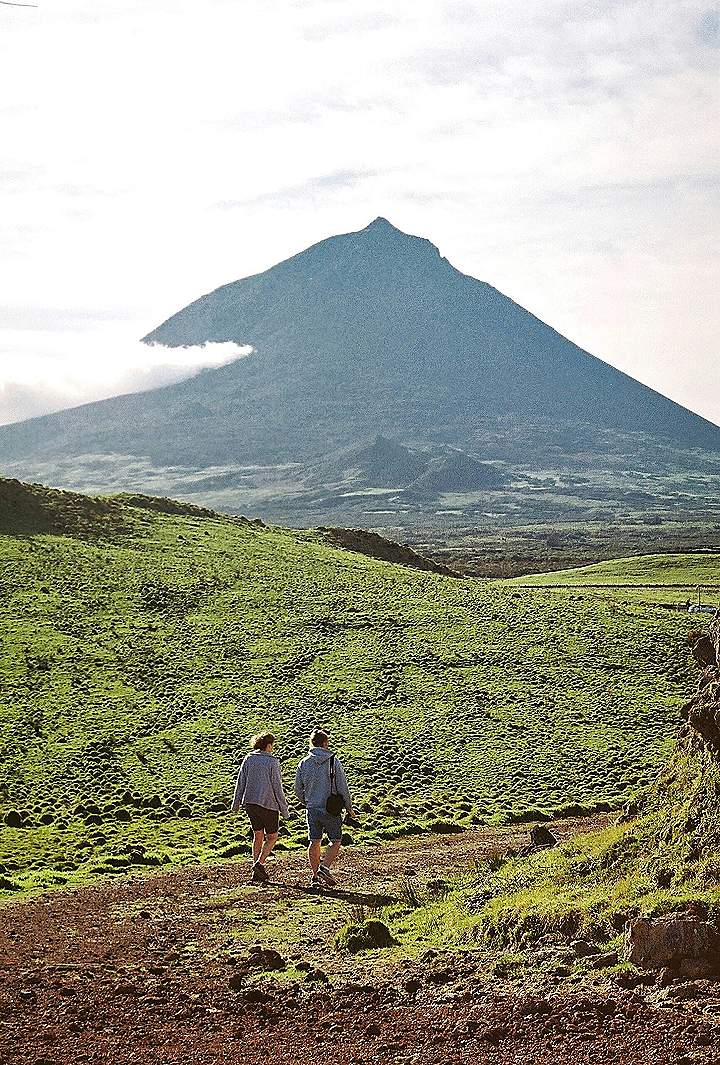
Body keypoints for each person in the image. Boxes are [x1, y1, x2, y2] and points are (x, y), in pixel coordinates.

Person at [294, 728, 359, 888]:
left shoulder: (303, 763)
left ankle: (315, 876)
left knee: (314, 841)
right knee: (336, 841)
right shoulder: (333, 760)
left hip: (312, 809)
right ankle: (325, 867)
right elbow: (343, 787)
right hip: (331, 809)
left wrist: (307, 801)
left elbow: (297, 789)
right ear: (325, 743)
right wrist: (349, 809)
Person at [232, 732, 290, 884]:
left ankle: (256, 870)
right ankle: (260, 863)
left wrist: (236, 803)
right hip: (268, 803)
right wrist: (284, 810)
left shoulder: (248, 759)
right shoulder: (273, 762)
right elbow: (278, 787)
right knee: (272, 837)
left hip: (250, 803)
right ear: (268, 745)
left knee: (258, 835)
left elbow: (241, 781)